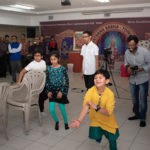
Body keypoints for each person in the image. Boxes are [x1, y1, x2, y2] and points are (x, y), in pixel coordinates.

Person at [69, 69, 119, 150]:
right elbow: (86, 106)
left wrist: (96, 107)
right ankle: (100, 134)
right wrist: (79, 120)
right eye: (95, 78)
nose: (97, 79)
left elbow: (108, 112)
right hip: (95, 119)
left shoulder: (110, 94)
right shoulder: (90, 91)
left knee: (112, 139)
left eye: (100, 77)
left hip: (108, 121)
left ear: (107, 81)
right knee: (95, 135)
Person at [125, 35, 150, 127]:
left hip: (143, 78)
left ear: (137, 44)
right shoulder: (127, 52)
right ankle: (137, 114)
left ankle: (142, 118)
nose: (130, 47)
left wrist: (141, 69)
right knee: (135, 99)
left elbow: (149, 64)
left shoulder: (145, 52)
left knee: (143, 100)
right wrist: (128, 68)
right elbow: (126, 63)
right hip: (132, 79)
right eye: (129, 45)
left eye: (132, 45)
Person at [17, 48, 47, 114]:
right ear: (33, 56)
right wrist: (19, 81)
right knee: (37, 97)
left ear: (41, 56)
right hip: (34, 84)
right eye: (35, 55)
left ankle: (39, 102)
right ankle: (41, 110)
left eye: (38, 55)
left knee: (45, 95)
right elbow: (22, 71)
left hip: (42, 83)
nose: (37, 57)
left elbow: (44, 71)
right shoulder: (31, 64)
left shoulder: (43, 62)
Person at [46, 52, 69, 130]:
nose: (53, 61)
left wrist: (62, 92)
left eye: (54, 59)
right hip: (52, 91)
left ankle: (66, 122)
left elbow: (66, 81)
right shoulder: (49, 68)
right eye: (51, 59)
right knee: (51, 110)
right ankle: (56, 121)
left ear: (58, 59)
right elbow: (47, 80)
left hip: (60, 91)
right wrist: (48, 91)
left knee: (62, 108)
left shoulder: (62, 69)